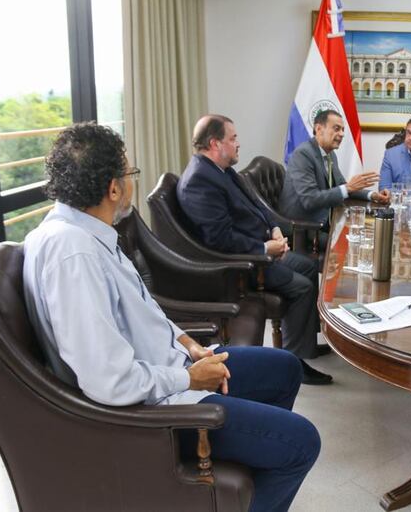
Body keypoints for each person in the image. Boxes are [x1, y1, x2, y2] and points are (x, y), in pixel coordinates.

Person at [22, 122, 320, 512]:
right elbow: (108, 382)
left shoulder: (86, 232)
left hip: (170, 367)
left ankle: (245, 471)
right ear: (113, 188)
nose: (130, 183)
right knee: (302, 442)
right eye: (129, 174)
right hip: (155, 412)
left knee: (284, 368)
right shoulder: (73, 255)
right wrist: (190, 377)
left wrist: (188, 343)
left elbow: (141, 309)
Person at [177, 114, 333, 385]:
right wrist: (264, 249)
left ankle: (304, 343)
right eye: (233, 138)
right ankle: (294, 361)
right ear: (215, 143)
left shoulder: (222, 170)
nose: (238, 143)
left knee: (308, 267)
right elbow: (219, 239)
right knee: (302, 286)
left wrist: (274, 229)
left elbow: (259, 205)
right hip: (242, 265)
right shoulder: (200, 181)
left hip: (261, 251)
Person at [280, 109, 389, 229]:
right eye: (337, 129)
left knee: (366, 231)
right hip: (303, 226)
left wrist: (373, 195)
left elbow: (342, 186)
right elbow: (309, 199)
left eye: (343, 130)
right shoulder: (303, 154)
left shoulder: (330, 154)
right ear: (319, 129)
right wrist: (348, 187)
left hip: (327, 220)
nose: (342, 134)